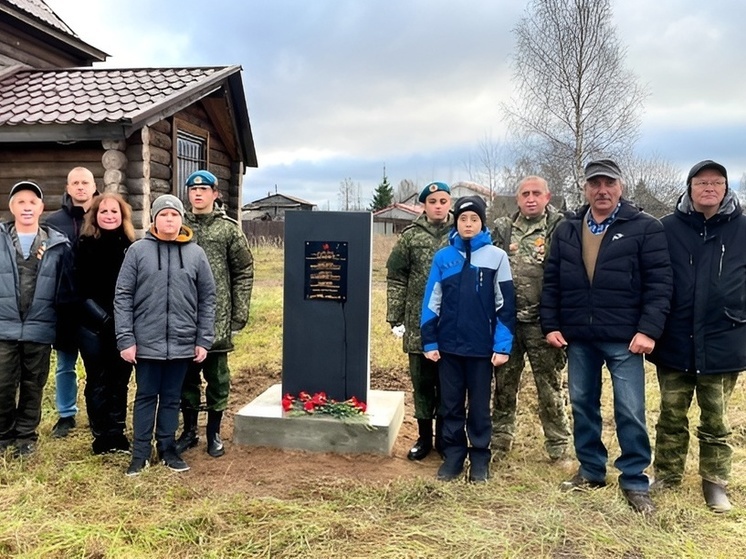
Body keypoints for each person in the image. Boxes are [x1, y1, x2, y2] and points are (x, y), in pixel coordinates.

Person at [540, 159, 672, 515]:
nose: (602, 190)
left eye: (609, 183)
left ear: (620, 187)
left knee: (630, 409)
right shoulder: (567, 228)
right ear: (584, 188)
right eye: (594, 183)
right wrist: (550, 324)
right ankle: (592, 470)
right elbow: (552, 281)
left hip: (625, 338)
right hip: (579, 336)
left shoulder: (645, 228)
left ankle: (633, 479)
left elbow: (660, 284)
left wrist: (648, 330)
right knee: (583, 405)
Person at [648, 160, 746, 513]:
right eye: (702, 182)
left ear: (726, 188)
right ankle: (667, 473)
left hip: (725, 339)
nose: (709, 188)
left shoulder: (742, 229)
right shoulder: (667, 229)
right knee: (671, 415)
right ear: (689, 188)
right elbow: (653, 278)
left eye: (716, 182)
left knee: (716, 419)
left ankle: (715, 482)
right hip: (675, 338)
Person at [115, 194, 216, 476]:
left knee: (172, 397)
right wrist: (126, 339)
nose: (169, 220)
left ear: (181, 220)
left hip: (183, 342)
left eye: (174, 215)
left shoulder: (196, 254)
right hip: (146, 342)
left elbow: (208, 298)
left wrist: (203, 339)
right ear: (154, 220)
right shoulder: (137, 251)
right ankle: (140, 454)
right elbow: (122, 296)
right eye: (163, 215)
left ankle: (168, 449)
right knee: (146, 396)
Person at [421, 196, 515, 483]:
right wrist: (430, 341)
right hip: (449, 347)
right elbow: (431, 302)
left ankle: (479, 457)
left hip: (481, 348)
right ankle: (454, 455)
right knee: (449, 404)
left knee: (478, 405)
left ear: (482, 222)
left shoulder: (497, 257)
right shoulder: (443, 258)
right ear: (456, 222)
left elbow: (505, 305)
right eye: (463, 219)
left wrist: (502, 345)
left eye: (474, 219)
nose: (468, 224)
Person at [491, 176, 571, 462]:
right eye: (525, 193)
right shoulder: (502, 229)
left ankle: (559, 445)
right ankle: (500, 439)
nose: (531, 198)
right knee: (504, 383)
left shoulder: (560, 228)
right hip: (508, 322)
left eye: (537, 193)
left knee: (549, 385)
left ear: (548, 197)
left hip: (544, 322)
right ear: (517, 199)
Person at [175, 170, 254, 458]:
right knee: (186, 378)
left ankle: (214, 432)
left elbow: (244, 271)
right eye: (193, 189)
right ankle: (189, 431)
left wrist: (238, 314)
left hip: (217, 320)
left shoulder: (228, 230)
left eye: (204, 189)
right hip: (183, 317)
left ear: (215, 194)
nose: (198, 194)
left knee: (218, 378)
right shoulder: (178, 225)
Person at [0, 181, 73, 457]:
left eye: (32, 202)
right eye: (21, 202)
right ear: (12, 207)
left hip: (39, 328)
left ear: (41, 208)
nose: (27, 207)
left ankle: (25, 437)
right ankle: (3, 436)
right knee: (3, 384)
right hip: (3, 327)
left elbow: (65, 289)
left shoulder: (57, 244)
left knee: (33, 385)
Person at [386, 181, 453, 461]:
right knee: (423, 383)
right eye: (433, 202)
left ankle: (447, 439)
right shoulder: (411, 237)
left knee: (449, 384)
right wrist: (395, 316)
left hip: (454, 322)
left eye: (443, 201)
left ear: (450, 203)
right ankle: (425, 438)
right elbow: (397, 277)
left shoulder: (461, 232)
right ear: (423, 206)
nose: (438, 206)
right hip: (419, 323)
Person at [75, 193, 135, 455]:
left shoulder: (131, 247)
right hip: (92, 325)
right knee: (97, 379)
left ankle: (117, 432)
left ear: (122, 216)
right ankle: (100, 435)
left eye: (114, 212)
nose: (109, 216)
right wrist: (103, 318)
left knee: (120, 380)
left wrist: (122, 321)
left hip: (124, 325)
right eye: (104, 212)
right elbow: (78, 288)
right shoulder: (84, 245)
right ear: (95, 215)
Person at [44, 166, 98, 438]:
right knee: (65, 363)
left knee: (96, 364)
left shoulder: (104, 216)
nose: (80, 187)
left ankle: (97, 412)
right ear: (67, 188)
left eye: (85, 182)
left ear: (93, 186)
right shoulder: (53, 223)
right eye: (75, 183)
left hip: (95, 306)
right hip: (64, 305)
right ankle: (66, 414)